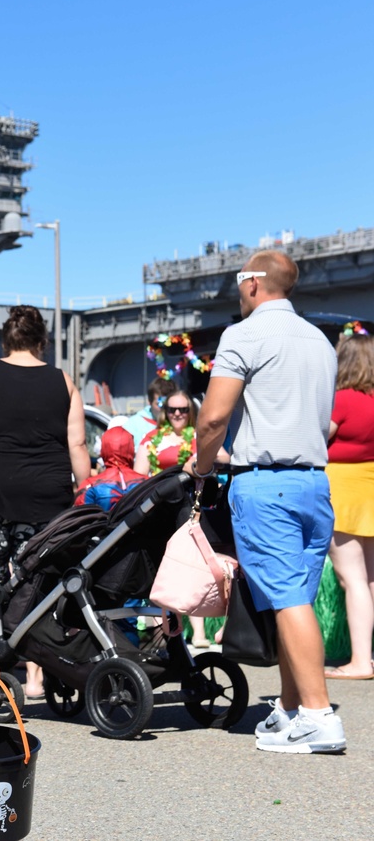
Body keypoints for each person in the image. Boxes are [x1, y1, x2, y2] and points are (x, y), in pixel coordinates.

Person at [194, 251, 345, 754]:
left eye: (239, 281)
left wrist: (201, 466)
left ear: (255, 283)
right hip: (315, 484)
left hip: (266, 481)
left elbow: (213, 418)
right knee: (293, 599)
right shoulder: (320, 342)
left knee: (286, 599)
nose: (238, 290)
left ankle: (320, 717)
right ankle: (291, 707)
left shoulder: (244, 335)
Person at [0, 305, 90, 701]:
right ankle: (37, 678)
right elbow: (77, 443)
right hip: (47, 496)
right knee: (38, 581)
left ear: (5, 339)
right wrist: (84, 488)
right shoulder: (63, 382)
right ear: (43, 341)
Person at [136, 389, 229, 647]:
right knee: (163, 570)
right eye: (172, 410)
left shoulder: (199, 437)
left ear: (191, 413)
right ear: (165, 412)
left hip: (190, 510)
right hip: (159, 511)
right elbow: (140, 473)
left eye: (183, 410)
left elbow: (224, 456)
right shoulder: (152, 439)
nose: (177, 414)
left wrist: (200, 461)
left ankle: (198, 633)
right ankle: (163, 633)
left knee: (192, 569)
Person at [323, 326, 374, 679]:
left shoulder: (341, 400)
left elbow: (315, 436)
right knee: (370, 579)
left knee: (351, 578)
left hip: (342, 489)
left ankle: (359, 661)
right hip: (370, 485)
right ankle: (367, 654)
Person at [74, 425, 146, 511]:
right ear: (131, 450)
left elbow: (81, 519)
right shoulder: (147, 483)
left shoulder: (89, 486)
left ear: (103, 451)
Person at [121, 377, 179, 454]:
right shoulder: (133, 425)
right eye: (160, 404)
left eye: (169, 404)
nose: (165, 409)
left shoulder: (180, 422)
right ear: (150, 401)